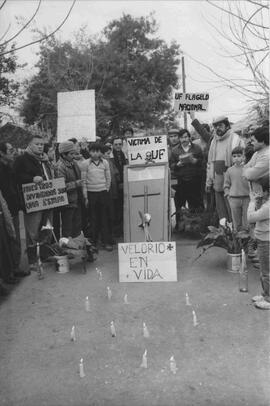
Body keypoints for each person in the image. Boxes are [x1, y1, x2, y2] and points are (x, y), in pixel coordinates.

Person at [14, 135, 54, 272]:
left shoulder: (44, 160)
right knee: (32, 232)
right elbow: (16, 177)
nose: (40, 146)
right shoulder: (22, 159)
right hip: (33, 202)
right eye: (37, 144)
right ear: (30, 145)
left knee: (47, 228)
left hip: (48, 199)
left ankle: (44, 255)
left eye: (42, 144)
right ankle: (32, 261)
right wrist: (31, 178)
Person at [206, 115, 243, 221]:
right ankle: (225, 233)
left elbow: (242, 161)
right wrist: (208, 182)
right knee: (221, 212)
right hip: (217, 181)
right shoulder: (214, 141)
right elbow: (210, 163)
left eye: (220, 125)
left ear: (227, 126)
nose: (217, 128)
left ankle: (236, 235)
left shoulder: (236, 139)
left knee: (233, 210)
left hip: (233, 182)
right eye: (216, 126)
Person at [0, 142, 27, 277]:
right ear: (1, 153)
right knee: (8, 241)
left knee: (15, 239)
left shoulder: (10, 167)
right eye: (10, 150)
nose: (14, 152)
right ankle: (10, 271)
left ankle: (15, 268)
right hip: (5, 211)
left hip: (14, 209)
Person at [81, 143, 112, 250]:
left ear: (100, 152)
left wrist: (106, 189)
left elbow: (108, 178)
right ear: (89, 152)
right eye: (93, 151)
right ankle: (93, 242)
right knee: (93, 218)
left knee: (104, 217)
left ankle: (106, 241)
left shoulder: (105, 163)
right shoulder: (85, 164)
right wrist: (85, 196)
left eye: (97, 151)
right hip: (91, 194)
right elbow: (83, 181)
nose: (95, 153)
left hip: (103, 193)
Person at [247, 181, 270, 310]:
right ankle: (265, 293)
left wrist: (251, 202)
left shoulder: (268, 207)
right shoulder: (265, 204)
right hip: (263, 239)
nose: (257, 194)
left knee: (267, 272)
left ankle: (269, 298)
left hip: (266, 241)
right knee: (263, 270)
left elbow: (250, 217)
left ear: (266, 192)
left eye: (259, 191)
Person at [170, 128, 204, 214]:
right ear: (179, 139)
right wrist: (177, 165)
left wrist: (195, 161)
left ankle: (198, 225)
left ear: (189, 137)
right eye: (181, 138)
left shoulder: (197, 148)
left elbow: (203, 163)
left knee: (196, 206)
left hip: (195, 181)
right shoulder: (174, 151)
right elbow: (171, 165)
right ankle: (180, 226)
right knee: (180, 206)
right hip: (181, 182)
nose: (183, 139)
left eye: (185, 137)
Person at [56, 141, 83, 238]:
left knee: (77, 226)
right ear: (63, 154)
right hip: (68, 203)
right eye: (71, 154)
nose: (73, 156)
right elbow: (60, 187)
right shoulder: (60, 167)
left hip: (77, 200)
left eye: (74, 153)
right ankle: (68, 249)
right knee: (68, 228)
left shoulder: (74, 163)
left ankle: (77, 249)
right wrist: (76, 184)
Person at [223, 147, 250, 231]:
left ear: (243, 157)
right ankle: (238, 242)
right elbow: (226, 185)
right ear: (231, 158)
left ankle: (248, 241)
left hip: (246, 198)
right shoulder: (229, 170)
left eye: (239, 156)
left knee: (247, 222)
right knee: (236, 223)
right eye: (234, 156)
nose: (236, 158)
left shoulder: (247, 169)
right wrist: (228, 195)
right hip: (234, 199)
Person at [112, 137, 127, 236]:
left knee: (123, 207)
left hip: (124, 184)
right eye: (116, 144)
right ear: (113, 145)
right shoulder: (110, 156)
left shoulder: (124, 155)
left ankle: (123, 228)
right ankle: (116, 230)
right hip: (114, 185)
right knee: (115, 208)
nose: (118, 146)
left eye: (119, 144)